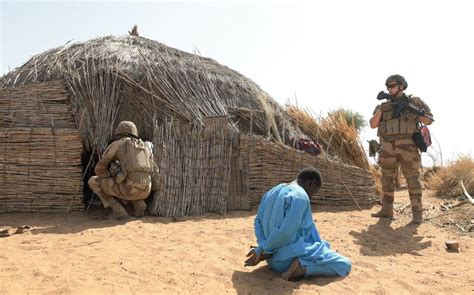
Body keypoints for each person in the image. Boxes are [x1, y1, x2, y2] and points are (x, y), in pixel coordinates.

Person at [244, 167, 352, 281]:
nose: (311, 197)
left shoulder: (271, 192)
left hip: (271, 260)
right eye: (314, 192)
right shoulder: (300, 196)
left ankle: (297, 263)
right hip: (286, 260)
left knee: (324, 245)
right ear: (312, 183)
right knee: (344, 264)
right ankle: (302, 268)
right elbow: (285, 231)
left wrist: (263, 247)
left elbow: (257, 222)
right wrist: (267, 249)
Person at [369, 74, 434, 224]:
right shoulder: (383, 105)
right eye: (388, 87)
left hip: (408, 145)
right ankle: (387, 211)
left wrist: (416, 115)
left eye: (392, 86)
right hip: (387, 146)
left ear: (401, 86)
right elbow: (373, 124)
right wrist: (381, 110)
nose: (389, 89)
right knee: (386, 179)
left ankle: (417, 215)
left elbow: (429, 120)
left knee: (412, 179)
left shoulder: (414, 101)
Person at [88, 121, 156, 219]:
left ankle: (118, 211)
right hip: (146, 191)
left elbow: (99, 169)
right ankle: (138, 203)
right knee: (130, 179)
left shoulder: (117, 144)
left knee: (93, 181)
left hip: (129, 190)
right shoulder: (145, 147)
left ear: (119, 132)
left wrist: (110, 174)